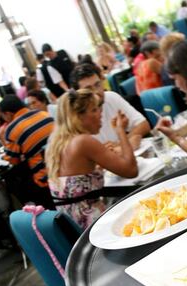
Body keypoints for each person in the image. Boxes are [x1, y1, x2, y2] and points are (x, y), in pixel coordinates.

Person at [46, 89, 137, 229]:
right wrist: (120, 131)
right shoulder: (83, 141)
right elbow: (131, 170)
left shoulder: (55, 143)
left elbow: (77, 180)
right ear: (78, 117)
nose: (100, 113)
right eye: (94, 110)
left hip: (73, 224)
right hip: (92, 224)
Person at [70, 64, 150, 150]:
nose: (96, 91)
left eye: (97, 84)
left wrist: (120, 144)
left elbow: (144, 125)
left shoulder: (111, 97)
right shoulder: (76, 119)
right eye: (88, 89)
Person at [0, 95, 54, 209]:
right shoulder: (44, 114)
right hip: (64, 166)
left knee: (15, 183)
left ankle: (31, 209)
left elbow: (13, 160)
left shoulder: (12, 128)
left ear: (8, 114)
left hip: (46, 179)